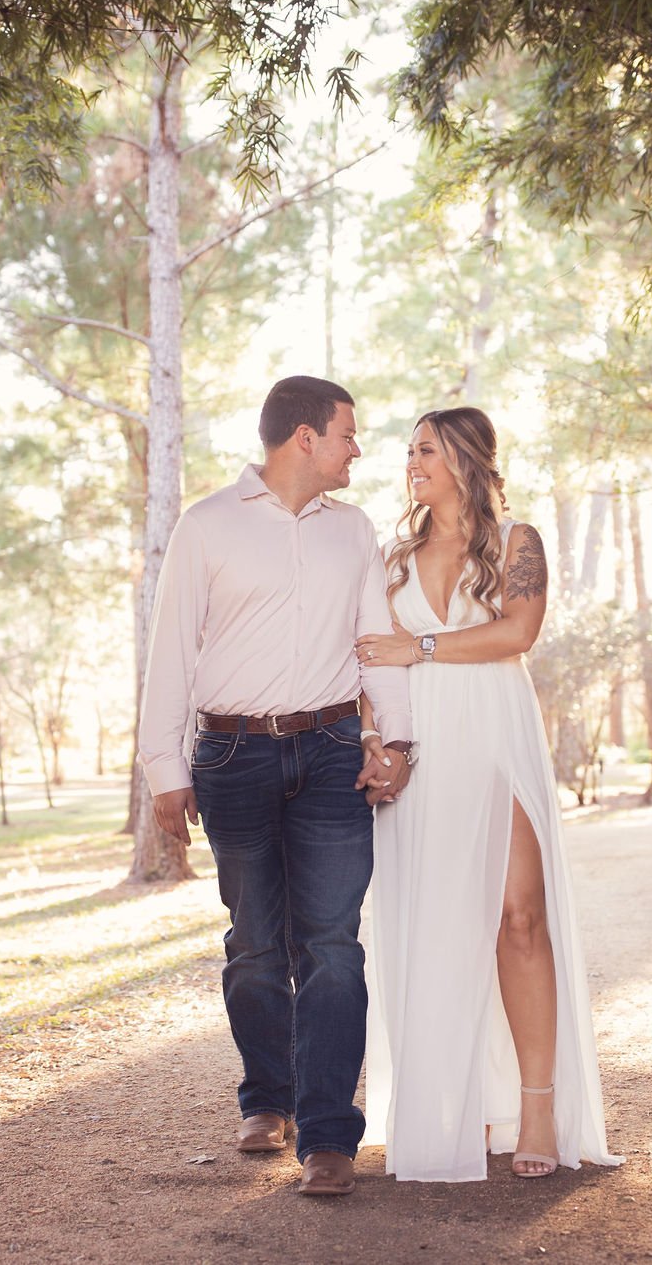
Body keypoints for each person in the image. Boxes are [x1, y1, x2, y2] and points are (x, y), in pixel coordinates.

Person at [140, 375, 415, 1197]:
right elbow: (172, 651)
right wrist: (165, 770)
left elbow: (375, 641)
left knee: (331, 944)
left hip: (333, 749)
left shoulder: (353, 529)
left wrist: (394, 740)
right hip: (232, 755)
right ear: (304, 437)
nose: (357, 449)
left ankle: (329, 1133)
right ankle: (268, 1097)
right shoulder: (208, 525)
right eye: (346, 434)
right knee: (256, 943)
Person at [356, 407, 615, 1182]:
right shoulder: (390, 558)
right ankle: (453, 1102)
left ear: (466, 458)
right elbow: (372, 663)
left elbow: (517, 632)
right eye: (409, 450)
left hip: (495, 737)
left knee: (519, 915)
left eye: (425, 449)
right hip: (422, 751)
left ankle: (537, 1103)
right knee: (439, 927)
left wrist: (421, 646)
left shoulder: (515, 542)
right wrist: (378, 744)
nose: (411, 462)